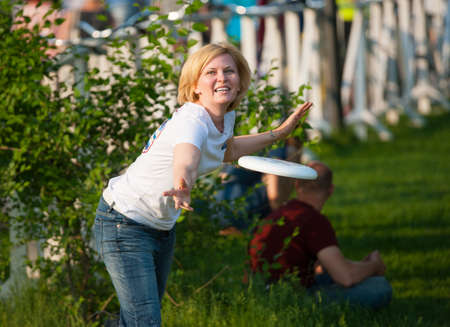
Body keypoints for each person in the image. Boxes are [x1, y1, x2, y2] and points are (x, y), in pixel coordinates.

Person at [94, 42, 312, 326]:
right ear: (195, 86)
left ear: (240, 79)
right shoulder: (192, 120)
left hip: (159, 228)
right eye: (211, 72)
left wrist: (279, 134)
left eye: (229, 71)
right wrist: (182, 182)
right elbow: (187, 155)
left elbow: (227, 150)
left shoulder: (223, 118)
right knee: (145, 322)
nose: (222, 78)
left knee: (138, 318)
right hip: (123, 223)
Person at [248, 161, 392, 309]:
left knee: (332, 276)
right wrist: (374, 266)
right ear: (330, 190)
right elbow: (346, 278)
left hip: (259, 292)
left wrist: (361, 267)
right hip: (291, 298)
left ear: (297, 185)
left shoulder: (278, 214)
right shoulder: (313, 220)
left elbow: (326, 267)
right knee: (379, 287)